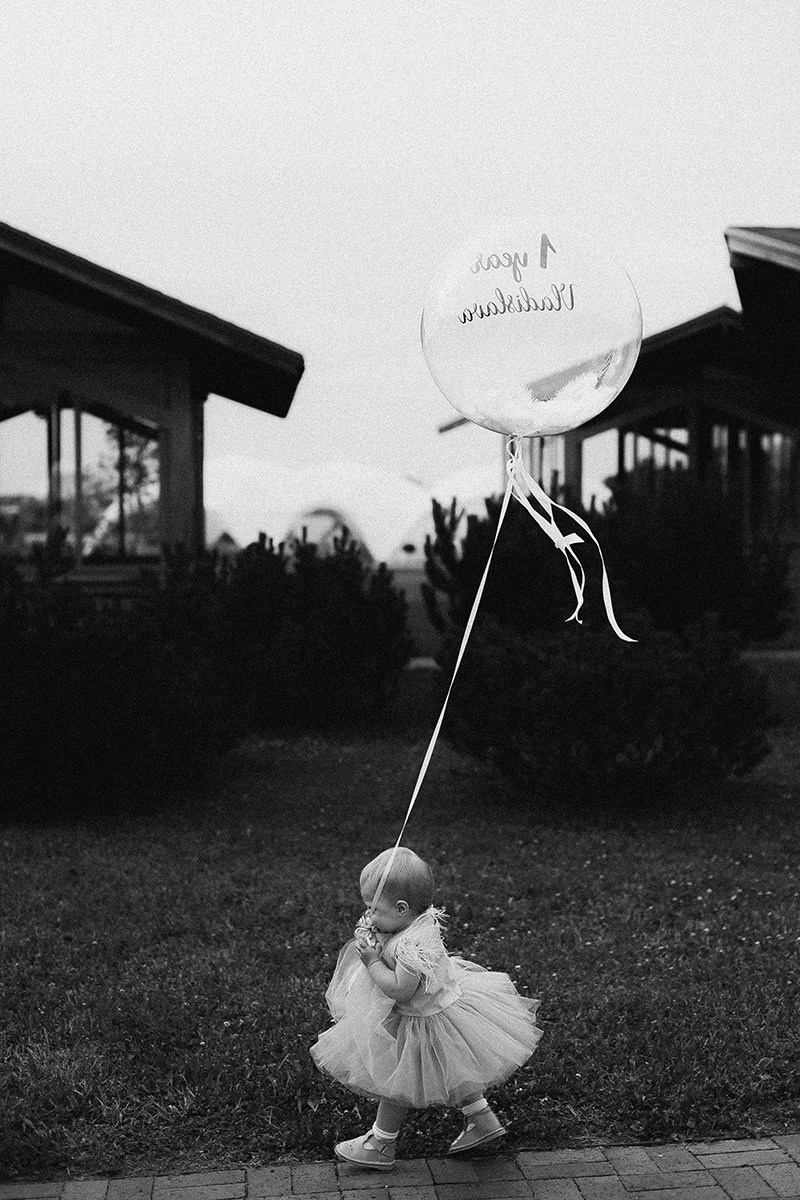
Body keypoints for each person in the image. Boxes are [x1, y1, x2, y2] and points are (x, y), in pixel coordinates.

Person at [310, 846, 542, 1171]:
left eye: (373, 909)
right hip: (442, 1012)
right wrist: (376, 931)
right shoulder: (413, 923)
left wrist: (373, 961)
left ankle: (380, 1143)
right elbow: (383, 931)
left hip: (420, 1021)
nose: (369, 916)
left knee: (396, 1079)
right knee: (455, 1065)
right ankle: (482, 1120)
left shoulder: (411, 945)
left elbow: (401, 991)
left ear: (402, 909)